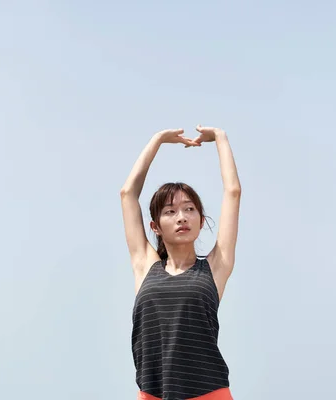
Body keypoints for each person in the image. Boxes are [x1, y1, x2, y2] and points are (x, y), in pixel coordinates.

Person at [120, 125, 241, 400]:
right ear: (156, 226)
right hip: (152, 394)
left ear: (200, 219)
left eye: (189, 209)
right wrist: (157, 140)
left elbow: (232, 191)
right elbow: (128, 194)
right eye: (170, 211)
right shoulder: (145, 265)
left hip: (208, 394)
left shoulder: (215, 267)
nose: (182, 217)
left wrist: (220, 138)